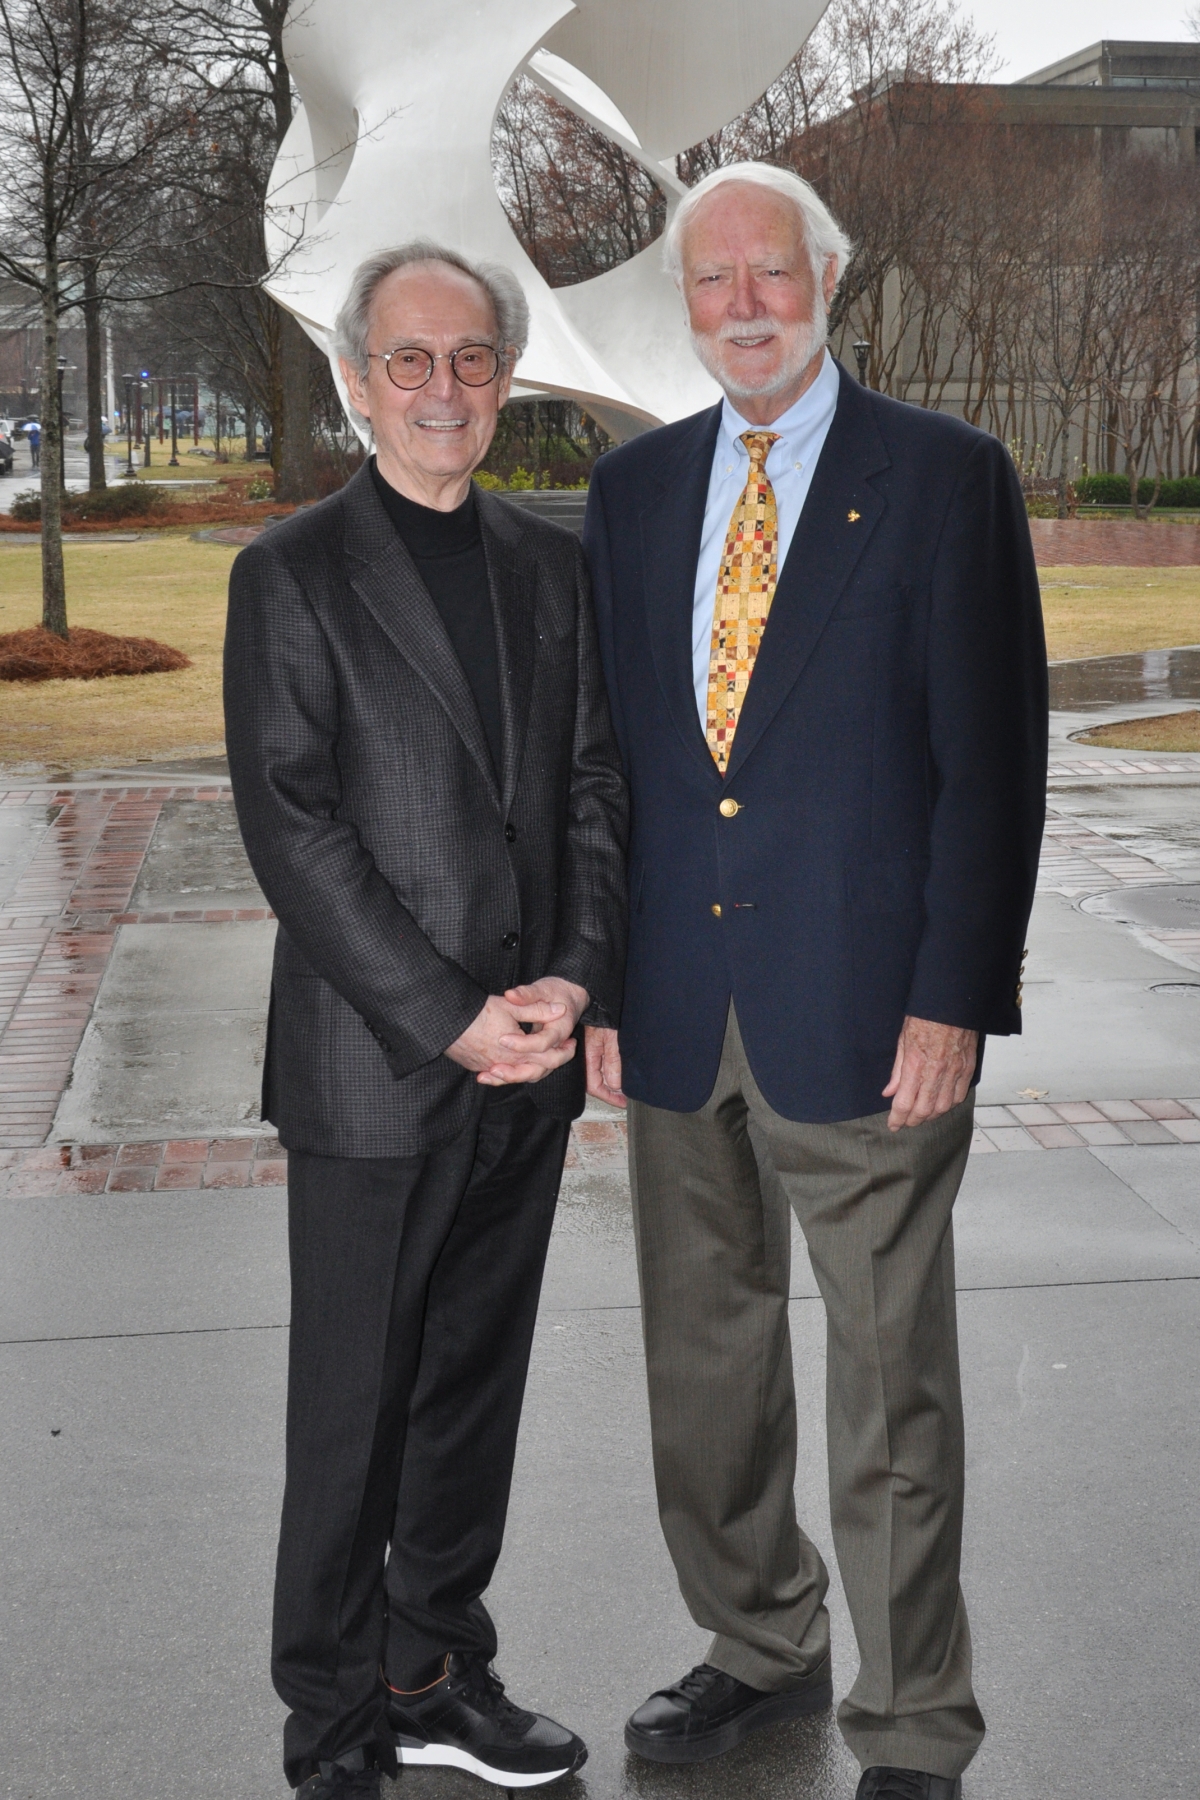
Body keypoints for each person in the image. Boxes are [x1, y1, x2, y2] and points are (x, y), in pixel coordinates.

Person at [583, 163, 1046, 1800]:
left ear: (827, 278)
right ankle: (758, 1636)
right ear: (685, 302)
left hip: (870, 1012)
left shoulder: (944, 477)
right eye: (713, 282)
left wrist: (955, 995)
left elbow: (989, 763)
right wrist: (604, 986)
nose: (744, 306)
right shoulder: (632, 496)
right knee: (701, 1365)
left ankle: (915, 1719)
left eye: (770, 272)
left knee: (887, 1386)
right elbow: (624, 773)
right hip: (676, 1007)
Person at [224, 241, 627, 1800]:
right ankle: (331, 1730)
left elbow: (599, 788)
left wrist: (576, 981)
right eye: (410, 359)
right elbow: (295, 830)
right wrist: (451, 1016)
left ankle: (432, 1667)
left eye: (471, 359)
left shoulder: (552, 563)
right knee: (353, 1418)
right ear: (354, 381)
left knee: (470, 1398)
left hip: (527, 1064)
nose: (443, 388)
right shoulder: (291, 574)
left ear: (505, 380)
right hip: (379, 1073)